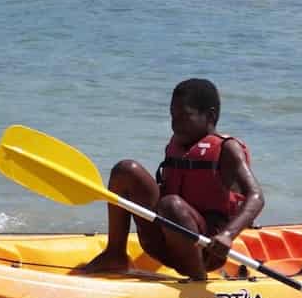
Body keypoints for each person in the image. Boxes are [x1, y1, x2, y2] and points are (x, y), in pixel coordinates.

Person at [76, 78, 264, 280]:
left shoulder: (227, 149)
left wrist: (228, 234)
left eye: (185, 116)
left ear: (210, 115)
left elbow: (256, 196)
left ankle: (198, 279)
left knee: (171, 204)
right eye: (173, 116)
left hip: (206, 250)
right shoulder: (177, 145)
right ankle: (115, 254)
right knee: (125, 170)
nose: (175, 124)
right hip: (162, 242)